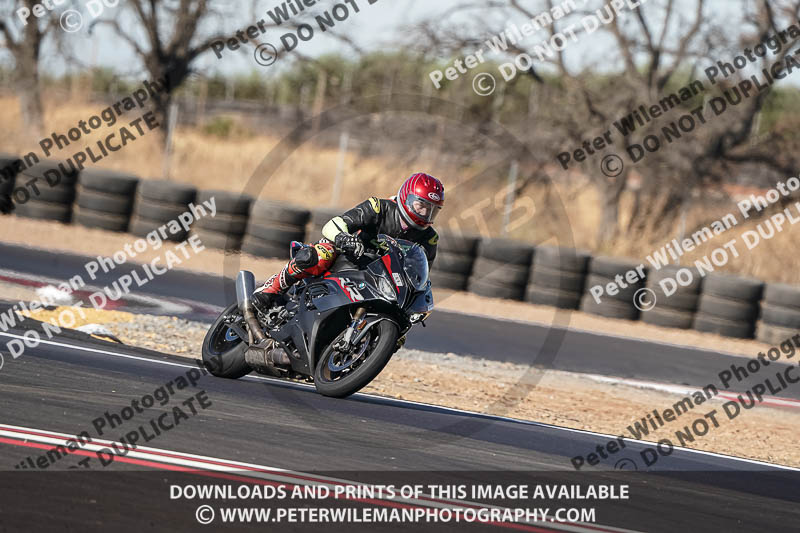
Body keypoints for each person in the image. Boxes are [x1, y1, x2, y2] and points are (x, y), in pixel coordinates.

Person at [249, 173, 444, 368]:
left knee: (402, 327)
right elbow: (335, 224)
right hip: (348, 257)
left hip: (381, 277)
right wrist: (344, 237)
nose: (425, 214)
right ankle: (271, 289)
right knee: (319, 255)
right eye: (421, 205)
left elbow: (420, 272)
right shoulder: (379, 207)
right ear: (406, 198)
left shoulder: (429, 238)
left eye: (432, 210)